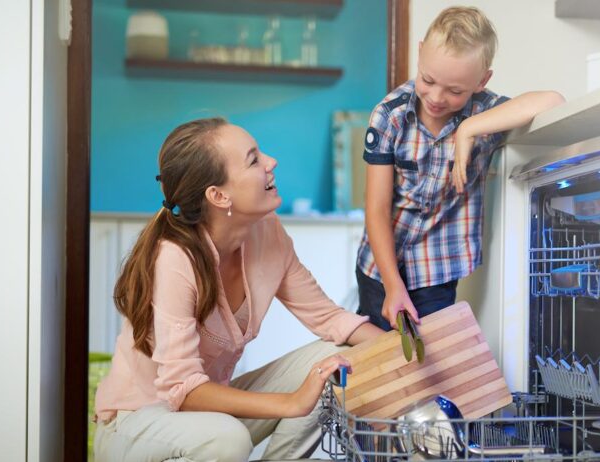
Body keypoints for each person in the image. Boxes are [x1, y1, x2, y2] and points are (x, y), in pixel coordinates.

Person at [93, 117, 383, 462]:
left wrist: (410, 352)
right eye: (254, 159)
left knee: (334, 360)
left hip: (203, 415)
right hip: (138, 424)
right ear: (218, 195)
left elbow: (329, 318)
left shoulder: (267, 232)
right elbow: (182, 390)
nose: (271, 162)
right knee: (228, 438)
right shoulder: (174, 258)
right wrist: (291, 403)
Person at [356, 6, 566, 331]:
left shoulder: (484, 112)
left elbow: (553, 100)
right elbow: (376, 209)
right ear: (420, 52)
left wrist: (469, 129)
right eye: (428, 80)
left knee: (430, 362)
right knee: (377, 359)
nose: (437, 97)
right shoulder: (389, 116)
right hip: (379, 268)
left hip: (436, 272)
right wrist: (392, 284)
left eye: (455, 91)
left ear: (482, 80)